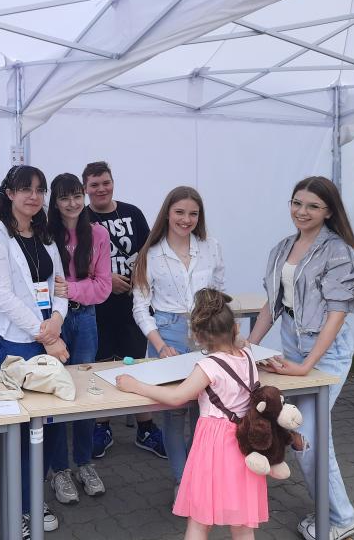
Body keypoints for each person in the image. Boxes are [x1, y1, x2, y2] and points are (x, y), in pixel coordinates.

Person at [248, 176, 354, 540]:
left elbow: (336, 314)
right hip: (294, 344)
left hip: (326, 351)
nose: (301, 211)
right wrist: (249, 348)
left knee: (305, 436)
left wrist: (306, 366)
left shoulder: (339, 252)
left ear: (329, 211)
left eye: (312, 206)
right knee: (309, 435)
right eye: (296, 203)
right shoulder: (283, 247)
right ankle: (335, 512)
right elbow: (273, 305)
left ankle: (340, 518)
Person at [117, 289, 268, 540]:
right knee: (243, 526)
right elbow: (240, 343)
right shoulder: (248, 355)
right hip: (244, 443)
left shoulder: (208, 366)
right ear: (236, 328)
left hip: (215, 446)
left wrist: (136, 385)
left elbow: (177, 397)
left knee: (199, 521)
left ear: (197, 337)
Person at [0, 165, 69, 539]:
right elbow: (2, 296)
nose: (34, 196)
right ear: (10, 193)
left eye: (39, 190)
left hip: (49, 335)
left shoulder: (45, 236)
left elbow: (61, 285)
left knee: (48, 425)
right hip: (16, 341)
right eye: (25, 189)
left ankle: (34, 497)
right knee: (21, 430)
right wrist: (45, 334)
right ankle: (21, 508)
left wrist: (57, 320)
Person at [131, 186, 225, 488]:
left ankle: (196, 479)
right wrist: (159, 345)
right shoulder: (151, 253)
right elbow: (140, 307)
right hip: (168, 333)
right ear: (167, 214)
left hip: (205, 335)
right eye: (180, 212)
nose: (186, 219)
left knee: (205, 411)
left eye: (193, 214)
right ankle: (183, 484)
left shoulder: (210, 246)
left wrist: (219, 337)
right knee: (174, 413)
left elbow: (219, 292)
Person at [81, 161, 166, 459]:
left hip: (133, 306)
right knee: (102, 366)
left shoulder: (133, 213)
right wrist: (106, 280)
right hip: (98, 309)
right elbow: (74, 263)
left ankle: (146, 428)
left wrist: (137, 279)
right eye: (94, 184)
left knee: (137, 365)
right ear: (85, 188)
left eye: (105, 182)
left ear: (113, 182)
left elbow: (148, 252)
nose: (101, 189)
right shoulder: (81, 219)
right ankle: (102, 426)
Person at [46, 173, 111, 504]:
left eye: (76, 196)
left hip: (85, 318)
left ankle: (84, 463)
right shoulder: (45, 235)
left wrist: (69, 289)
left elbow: (103, 287)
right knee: (57, 392)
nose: (71, 203)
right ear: (55, 202)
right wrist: (69, 292)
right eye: (64, 197)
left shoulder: (98, 234)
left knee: (85, 391)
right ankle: (59, 469)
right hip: (53, 321)